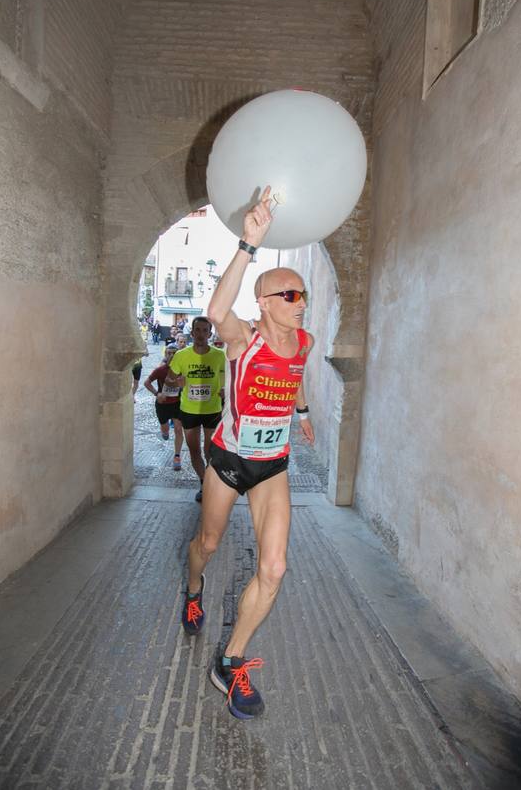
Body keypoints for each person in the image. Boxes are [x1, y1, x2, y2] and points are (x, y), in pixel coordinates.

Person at [181, 187, 315, 721]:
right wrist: (248, 245)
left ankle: (230, 660)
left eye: (303, 294)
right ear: (263, 302)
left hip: (272, 466)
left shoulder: (302, 344)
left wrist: (302, 416)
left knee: (275, 566)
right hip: (229, 459)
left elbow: (298, 380)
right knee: (208, 545)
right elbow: (216, 310)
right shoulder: (244, 340)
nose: (300, 301)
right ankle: (193, 587)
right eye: (289, 295)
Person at [165, 317, 225, 502]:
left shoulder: (219, 355)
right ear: (192, 332)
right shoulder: (181, 355)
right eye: (197, 330)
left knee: (210, 451)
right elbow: (168, 379)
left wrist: (225, 390)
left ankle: (210, 484)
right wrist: (176, 381)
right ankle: (204, 483)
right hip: (189, 410)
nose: (200, 334)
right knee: (194, 451)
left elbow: (229, 375)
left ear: (210, 333)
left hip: (212, 409)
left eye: (204, 330)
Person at [144, 346, 184, 470]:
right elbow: (146, 382)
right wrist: (157, 394)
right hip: (163, 404)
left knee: (178, 429)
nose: (171, 355)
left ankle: (177, 456)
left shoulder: (182, 370)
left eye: (174, 353)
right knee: (165, 427)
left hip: (177, 404)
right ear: (165, 355)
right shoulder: (160, 370)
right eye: (169, 353)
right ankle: (164, 431)